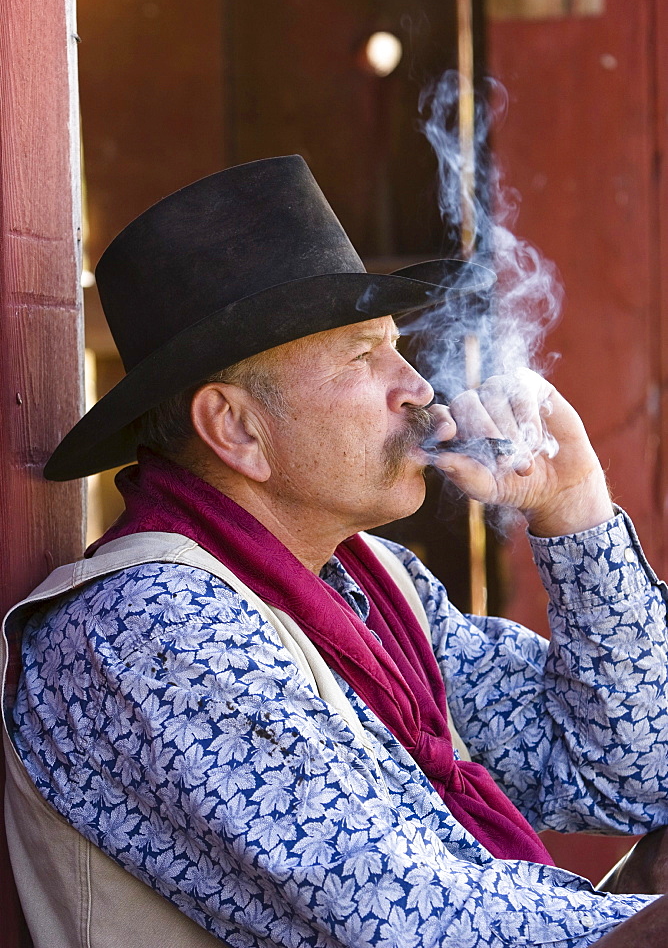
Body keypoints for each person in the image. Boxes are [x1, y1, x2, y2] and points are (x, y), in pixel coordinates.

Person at [3, 155, 668, 947]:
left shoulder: (371, 582)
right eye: (363, 356)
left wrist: (575, 511)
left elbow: (631, 771)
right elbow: (423, 927)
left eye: (396, 346)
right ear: (238, 429)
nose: (418, 385)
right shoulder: (150, 628)